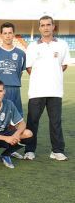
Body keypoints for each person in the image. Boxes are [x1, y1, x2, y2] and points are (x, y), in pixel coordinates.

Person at [24, 15, 70, 161]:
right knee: (32, 122)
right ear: (39, 28)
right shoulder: (32, 46)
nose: (45, 27)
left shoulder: (62, 45)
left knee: (55, 122)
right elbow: (29, 67)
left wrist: (52, 76)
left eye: (48, 25)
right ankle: (29, 150)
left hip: (55, 91)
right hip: (37, 91)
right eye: (42, 25)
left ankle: (57, 150)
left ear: (53, 26)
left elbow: (63, 65)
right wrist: (41, 79)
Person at [0, 22, 26, 117]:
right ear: (1, 35)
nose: (8, 36)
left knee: (15, 118)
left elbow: (19, 73)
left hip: (14, 90)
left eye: (10, 33)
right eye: (5, 33)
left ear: (13, 35)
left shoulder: (21, 54)